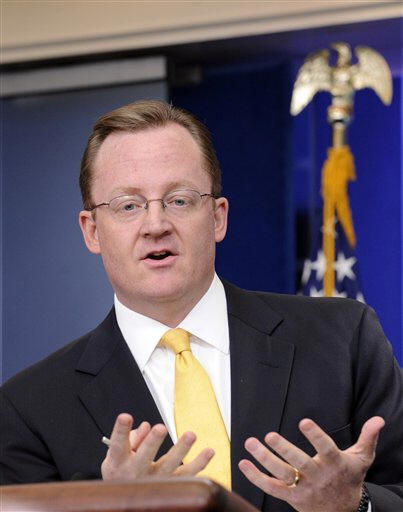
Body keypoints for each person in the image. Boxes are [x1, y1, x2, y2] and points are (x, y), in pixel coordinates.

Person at [1, 100, 402, 512]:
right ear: (92, 231)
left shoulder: (343, 338)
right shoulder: (28, 410)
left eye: (179, 200)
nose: (156, 225)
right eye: (128, 206)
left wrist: (354, 504)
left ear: (217, 217)